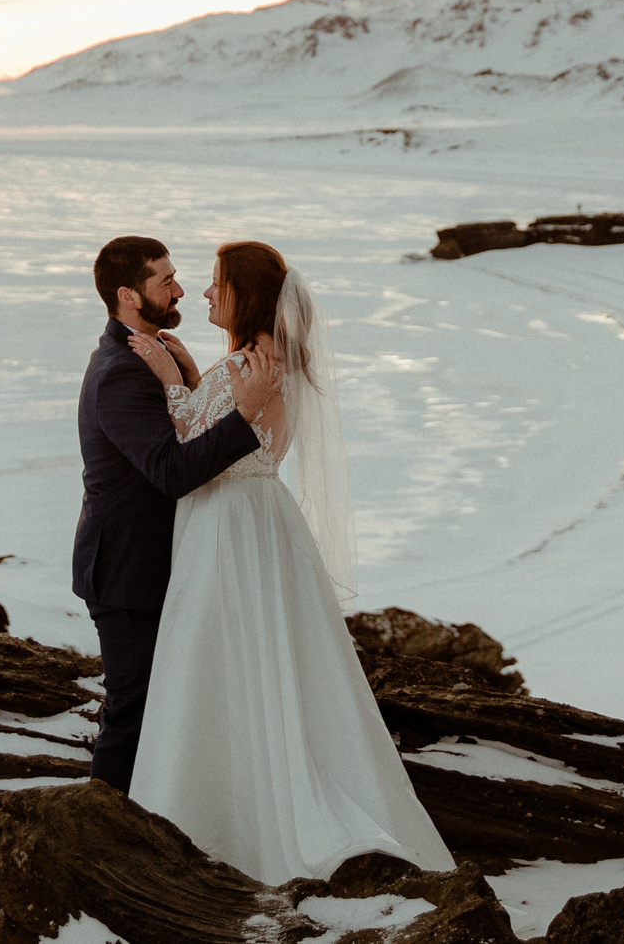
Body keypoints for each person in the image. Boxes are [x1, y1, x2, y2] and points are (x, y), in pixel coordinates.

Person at [123, 240, 454, 885]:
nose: (208, 294)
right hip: (253, 519)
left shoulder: (251, 364)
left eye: (218, 283)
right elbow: (224, 423)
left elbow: (197, 441)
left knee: (217, 661)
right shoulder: (266, 360)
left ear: (245, 295)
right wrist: (193, 375)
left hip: (229, 526)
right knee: (255, 662)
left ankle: (225, 817)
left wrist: (171, 381)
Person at [73, 234, 276, 790]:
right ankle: (99, 835)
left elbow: (179, 434)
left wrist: (186, 383)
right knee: (132, 714)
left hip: (163, 567)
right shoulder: (120, 369)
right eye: (165, 280)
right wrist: (247, 415)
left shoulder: (150, 356)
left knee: (168, 710)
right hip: (127, 574)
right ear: (128, 296)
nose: (181, 289)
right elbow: (171, 471)